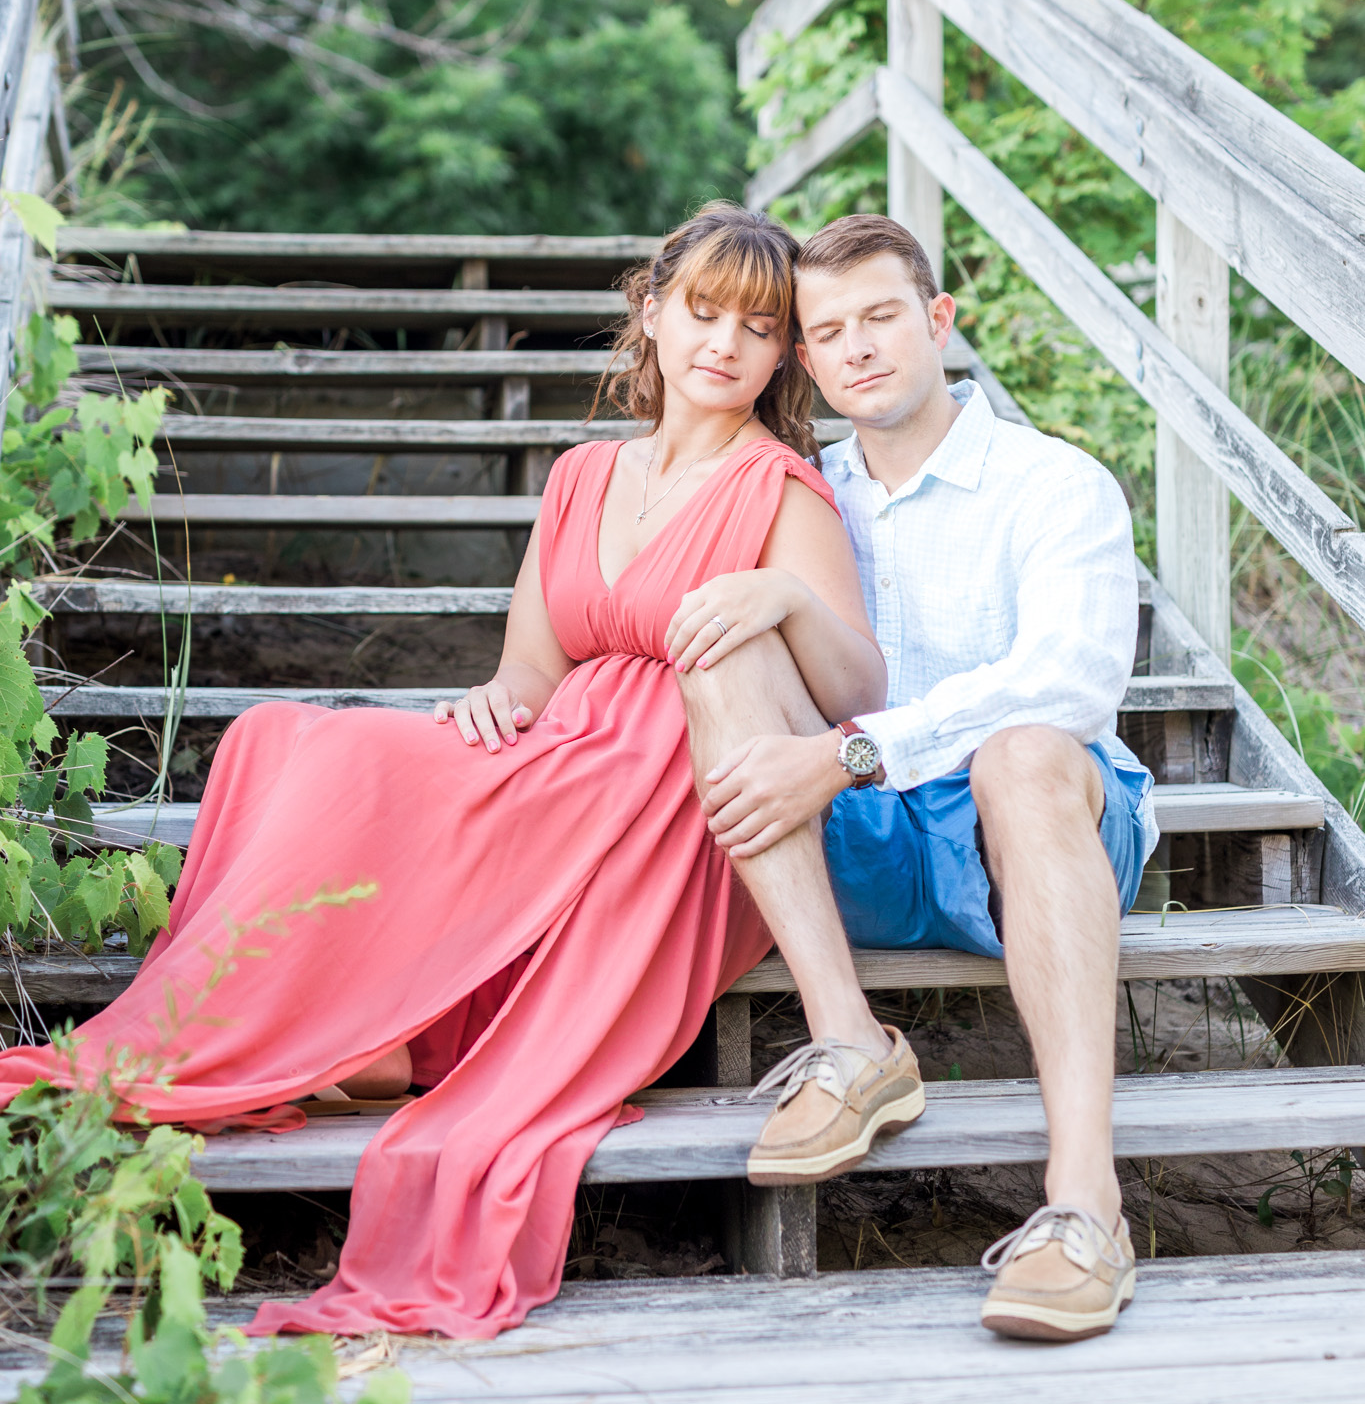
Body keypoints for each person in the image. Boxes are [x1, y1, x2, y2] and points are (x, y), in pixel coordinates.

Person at [0, 203, 923, 1340]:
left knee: (389, 778)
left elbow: (859, 694)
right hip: (562, 750)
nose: (726, 341)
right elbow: (532, 669)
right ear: (651, 310)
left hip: (678, 791)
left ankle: (398, 1035)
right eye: (702, 309)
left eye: (760, 323)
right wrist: (499, 703)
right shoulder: (583, 475)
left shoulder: (778, 484)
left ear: (784, 351)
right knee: (292, 738)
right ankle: (338, 1028)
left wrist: (784, 597)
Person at [675, 213, 1154, 1344]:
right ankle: (854, 1040)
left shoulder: (1053, 482)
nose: (857, 347)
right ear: (803, 358)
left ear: (937, 320)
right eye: (826, 330)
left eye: (882, 316)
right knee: (725, 640)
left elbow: (1070, 681)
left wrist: (849, 750)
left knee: (1025, 749)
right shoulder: (797, 491)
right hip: (864, 832)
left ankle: (1086, 1205)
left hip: (1032, 832)